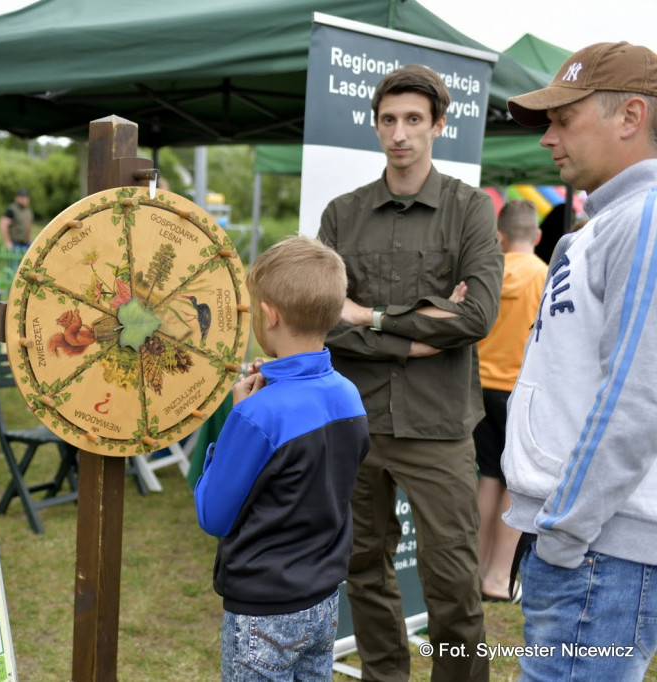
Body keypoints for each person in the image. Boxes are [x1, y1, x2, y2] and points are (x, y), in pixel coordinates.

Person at [317, 64, 502, 682]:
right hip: (357, 420)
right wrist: (418, 333)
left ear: (438, 126)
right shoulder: (341, 215)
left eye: (414, 120)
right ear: (375, 126)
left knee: (453, 581)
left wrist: (367, 316)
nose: (400, 133)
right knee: (362, 568)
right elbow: (320, 318)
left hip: (439, 426)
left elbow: (475, 314)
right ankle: (385, 675)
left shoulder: (470, 209)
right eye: (389, 120)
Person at [503, 41, 657, 680]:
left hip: (599, 552)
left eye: (563, 119)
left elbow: (638, 395)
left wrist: (564, 535)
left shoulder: (645, 217)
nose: (547, 138)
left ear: (629, 116)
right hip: (592, 547)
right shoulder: (613, 220)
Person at [194, 235, 369, 681]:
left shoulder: (255, 415)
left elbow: (213, 514)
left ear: (269, 314)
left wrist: (234, 424)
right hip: (324, 598)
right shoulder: (349, 395)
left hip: (263, 608)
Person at [473, 199, 547, 603]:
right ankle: (499, 578)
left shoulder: (491, 271)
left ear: (499, 237)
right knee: (516, 486)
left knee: (487, 477)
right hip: (520, 393)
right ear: (536, 236)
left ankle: (477, 568)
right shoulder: (546, 273)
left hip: (480, 389)